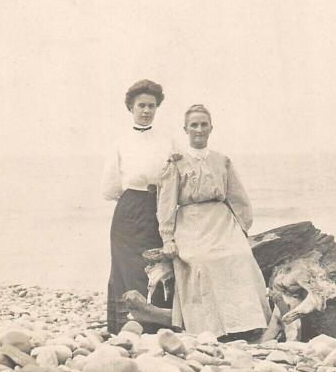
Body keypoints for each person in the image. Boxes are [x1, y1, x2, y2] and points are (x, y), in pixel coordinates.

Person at [156, 104, 271, 340]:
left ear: (211, 128)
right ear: (186, 129)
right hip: (191, 223)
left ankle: (248, 323)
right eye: (194, 125)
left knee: (240, 256)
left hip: (221, 222)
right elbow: (166, 203)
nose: (199, 129)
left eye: (203, 124)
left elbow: (238, 196)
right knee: (202, 261)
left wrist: (242, 226)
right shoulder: (176, 163)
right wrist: (167, 237)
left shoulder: (222, 161)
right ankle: (212, 328)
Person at [101, 79, 176, 334]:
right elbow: (110, 187)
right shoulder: (120, 142)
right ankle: (125, 327)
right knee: (126, 266)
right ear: (131, 108)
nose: (146, 111)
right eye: (141, 105)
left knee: (157, 264)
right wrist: (133, 199)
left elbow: (177, 175)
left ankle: (156, 323)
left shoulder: (168, 141)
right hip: (129, 210)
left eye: (151, 106)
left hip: (159, 207)